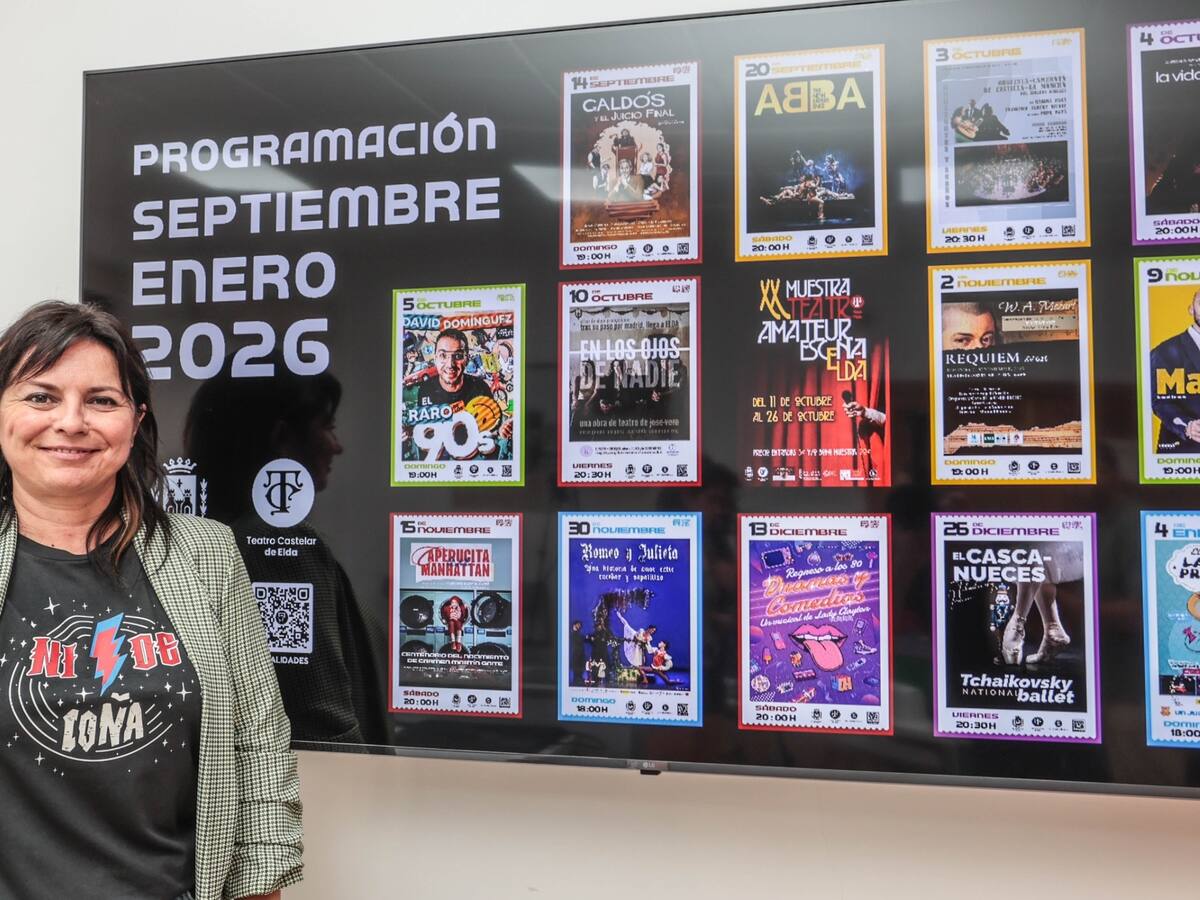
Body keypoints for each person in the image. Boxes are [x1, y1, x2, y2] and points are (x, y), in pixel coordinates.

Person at [0, 301, 301, 900]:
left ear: (135, 420)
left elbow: (260, 748)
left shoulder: (206, 555)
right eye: (41, 397)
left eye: (101, 400)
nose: (71, 422)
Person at [1149, 288, 1200, 452]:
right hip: (1184, 450)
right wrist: (1188, 425)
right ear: (1191, 309)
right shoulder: (1164, 352)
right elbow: (1159, 402)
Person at [416, 328, 495, 409]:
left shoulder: (481, 389)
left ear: (467, 359)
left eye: (458, 356)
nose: (450, 364)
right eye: (443, 355)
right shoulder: (426, 389)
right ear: (435, 359)